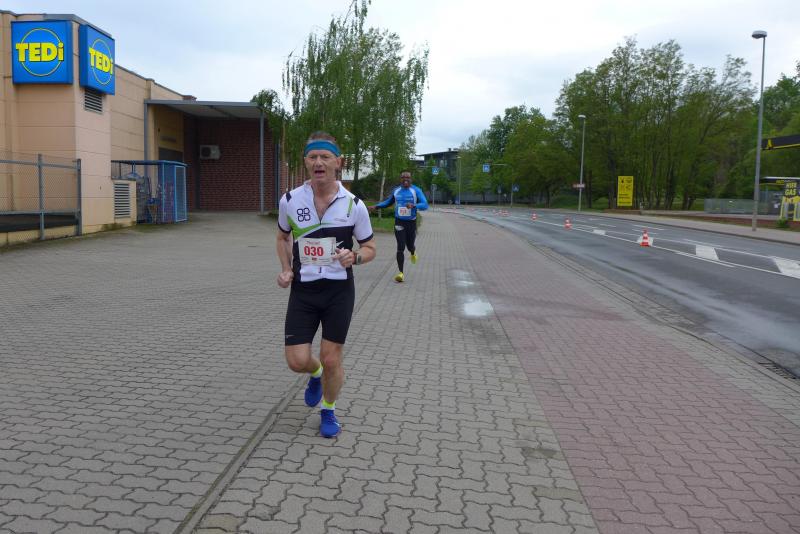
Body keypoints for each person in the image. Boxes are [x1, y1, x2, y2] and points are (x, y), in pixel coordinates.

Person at [276, 131, 376, 438]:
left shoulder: (354, 205)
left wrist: (355, 257)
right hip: (304, 291)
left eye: (325, 157)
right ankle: (315, 374)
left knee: (332, 358)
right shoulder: (290, 200)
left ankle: (328, 409)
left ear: (338, 163)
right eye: (312, 157)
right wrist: (285, 269)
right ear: (305, 162)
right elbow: (282, 237)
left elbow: (370, 247)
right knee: (297, 361)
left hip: (338, 292)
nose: (318, 162)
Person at [369, 170, 428, 282]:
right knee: (400, 247)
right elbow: (388, 202)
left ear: (411, 179)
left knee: (410, 246)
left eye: (408, 177)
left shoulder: (416, 190)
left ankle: (413, 252)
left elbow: (425, 205)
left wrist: (414, 205)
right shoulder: (396, 191)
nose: (405, 179)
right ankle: (401, 273)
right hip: (399, 222)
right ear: (400, 179)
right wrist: (376, 206)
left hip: (411, 223)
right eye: (403, 177)